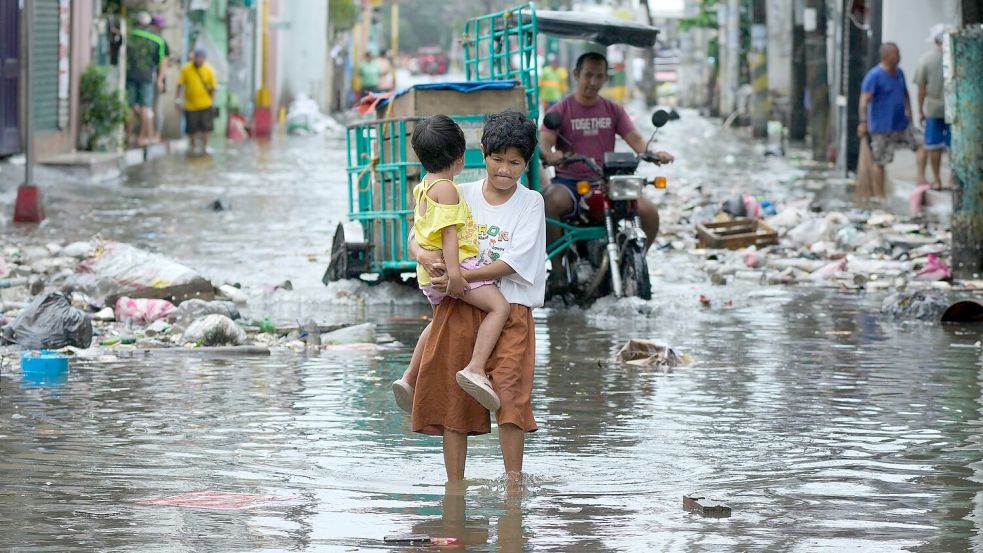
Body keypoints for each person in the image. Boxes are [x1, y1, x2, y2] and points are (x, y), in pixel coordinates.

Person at [409, 110, 545, 482]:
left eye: (514, 163)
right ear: (482, 154)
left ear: (526, 164)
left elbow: (514, 262)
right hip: (461, 306)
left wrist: (460, 277)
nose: (504, 169)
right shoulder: (458, 191)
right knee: (456, 402)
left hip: (511, 308)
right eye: (497, 160)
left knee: (510, 395)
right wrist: (426, 259)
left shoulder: (531, 203)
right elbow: (419, 234)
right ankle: (456, 487)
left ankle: (513, 485)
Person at [392, 115, 510, 413]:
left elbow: (420, 231)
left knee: (436, 324)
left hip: (428, 275)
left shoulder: (424, 186)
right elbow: (449, 237)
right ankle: (476, 367)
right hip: (453, 270)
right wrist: (457, 278)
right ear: (459, 158)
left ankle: (409, 378)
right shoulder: (447, 189)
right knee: (499, 308)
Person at [539, 52, 673, 281]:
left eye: (599, 76)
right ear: (576, 75)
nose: (593, 82)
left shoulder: (614, 110)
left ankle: (635, 263)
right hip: (571, 182)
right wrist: (551, 155)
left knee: (649, 212)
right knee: (548, 203)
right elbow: (545, 140)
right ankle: (559, 269)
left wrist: (653, 154)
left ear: (605, 79)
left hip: (607, 181)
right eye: (588, 75)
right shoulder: (559, 111)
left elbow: (637, 141)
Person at [858, 43, 921, 197]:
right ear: (887, 56)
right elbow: (864, 101)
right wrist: (863, 122)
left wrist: (911, 116)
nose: (900, 57)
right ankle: (880, 197)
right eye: (896, 54)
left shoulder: (899, 73)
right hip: (881, 128)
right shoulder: (874, 76)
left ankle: (921, 178)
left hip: (901, 124)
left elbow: (905, 94)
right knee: (880, 162)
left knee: (922, 144)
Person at [914, 24, 949, 190]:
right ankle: (955, 180)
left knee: (934, 146)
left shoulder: (926, 60)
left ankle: (937, 180)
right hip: (954, 110)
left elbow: (921, 89)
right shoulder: (957, 57)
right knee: (953, 145)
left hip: (933, 109)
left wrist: (920, 111)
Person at [126, 11, 168, 146]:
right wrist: (160, 79)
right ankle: (141, 138)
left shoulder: (130, 35)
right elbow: (163, 62)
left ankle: (127, 137)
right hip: (147, 77)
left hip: (130, 74)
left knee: (129, 106)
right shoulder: (158, 40)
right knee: (146, 107)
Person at [176, 48, 218, 156]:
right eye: (197, 57)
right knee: (191, 127)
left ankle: (205, 146)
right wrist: (177, 99)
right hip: (190, 104)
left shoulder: (209, 70)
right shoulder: (186, 69)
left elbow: (213, 88)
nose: (199, 60)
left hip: (205, 103)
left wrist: (212, 102)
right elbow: (180, 84)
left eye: (201, 58)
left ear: (204, 59)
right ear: (194, 58)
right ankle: (193, 146)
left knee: (206, 127)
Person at [149, 15, 171, 143]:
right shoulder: (148, 39)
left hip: (157, 78)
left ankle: (156, 134)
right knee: (147, 107)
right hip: (147, 77)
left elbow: (165, 62)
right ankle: (150, 133)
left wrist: (160, 80)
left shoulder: (161, 42)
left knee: (156, 107)